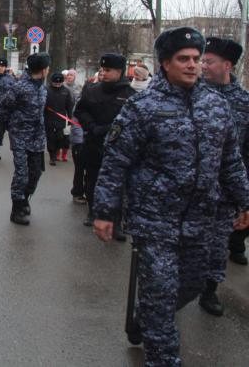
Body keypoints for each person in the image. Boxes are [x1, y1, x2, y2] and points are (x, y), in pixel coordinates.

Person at [93, 27, 249, 367]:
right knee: (162, 298)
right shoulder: (143, 107)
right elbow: (116, 162)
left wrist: (243, 200)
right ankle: (162, 354)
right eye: (184, 59)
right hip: (154, 220)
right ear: (165, 63)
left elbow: (230, 161)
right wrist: (105, 211)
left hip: (200, 220)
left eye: (196, 59)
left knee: (192, 285)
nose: (193, 65)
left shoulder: (216, 107)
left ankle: (147, 312)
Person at [198, 37, 249, 315]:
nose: (202, 65)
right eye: (202, 60)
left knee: (217, 246)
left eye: (209, 61)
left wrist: (244, 198)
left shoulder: (244, 103)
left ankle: (209, 290)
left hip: (225, 191)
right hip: (192, 188)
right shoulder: (192, 94)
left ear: (227, 65)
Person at [74, 53, 135, 232]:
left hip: (119, 149)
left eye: (108, 70)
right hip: (94, 143)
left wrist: (111, 128)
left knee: (119, 185)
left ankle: (117, 221)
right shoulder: (92, 90)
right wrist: (92, 127)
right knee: (92, 180)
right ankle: (93, 211)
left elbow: (132, 121)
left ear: (120, 71)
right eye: (102, 69)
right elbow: (81, 110)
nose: (104, 73)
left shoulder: (129, 95)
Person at [0, 53, 49, 226]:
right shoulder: (19, 87)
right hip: (20, 136)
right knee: (22, 173)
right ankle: (17, 208)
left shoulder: (42, 87)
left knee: (36, 172)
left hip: (38, 137)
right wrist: (11, 126)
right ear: (43, 70)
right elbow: (3, 107)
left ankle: (25, 198)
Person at [45, 72, 74, 166]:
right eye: (55, 83)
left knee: (59, 137)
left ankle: (56, 152)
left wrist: (70, 119)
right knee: (50, 138)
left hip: (60, 118)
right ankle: (52, 156)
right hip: (48, 117)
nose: (57, 84)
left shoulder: (66, 91)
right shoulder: (46, 90)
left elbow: (69, 106)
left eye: (59, 83)